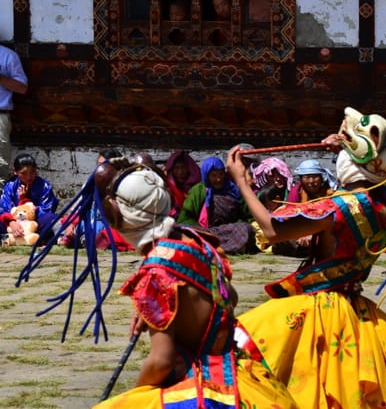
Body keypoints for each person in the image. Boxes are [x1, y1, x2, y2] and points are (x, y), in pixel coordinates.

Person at [226, 107, 386, 408]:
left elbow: (271, 229)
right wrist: (345, 148)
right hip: (355, 306)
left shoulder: (338, 208)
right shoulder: (382, 204)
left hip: (321, 305)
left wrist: (242, 181)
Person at [80, 160, 296, 408]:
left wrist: (136, 395)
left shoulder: (154, 275)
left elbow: (162, 361)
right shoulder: (197, 240)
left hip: (200, 385)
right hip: (237, 372)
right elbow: (231, 297)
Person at [177, 156, 256, 254]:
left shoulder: (233, 190)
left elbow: (245, 214)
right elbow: (185, 217)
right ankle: (226, 246)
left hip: (228, 230)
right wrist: (201, 230)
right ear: (206, 175)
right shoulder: (198, 191)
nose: (218, 179)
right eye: (214, 175)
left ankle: (211, 246)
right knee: (182, 228)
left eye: (221, 174)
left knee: (245, 228)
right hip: (205, 231)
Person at [1, 153, 58, 243]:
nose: (28, 177)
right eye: (23, 173)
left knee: (51, 218)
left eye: (32, 172)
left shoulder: (44, 186)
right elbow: (4, 209)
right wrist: (11, 222)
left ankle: (15, 239)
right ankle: (33, 239)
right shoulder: (10, 186)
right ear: (15, 171)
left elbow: (48, 209)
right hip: (13, 224)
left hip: (35, 224)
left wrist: (24, 200)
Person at [0, 44, 28, 176]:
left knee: (0, 167)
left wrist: (1, 78)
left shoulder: (7, 56)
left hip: (0, 118)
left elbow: (22, 88)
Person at [162, 150, 201, 219]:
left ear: (188, 168)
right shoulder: (168, 186)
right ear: (172, 169)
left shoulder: (197, 186)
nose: (180, 172)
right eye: (176, 168)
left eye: (183, 167)